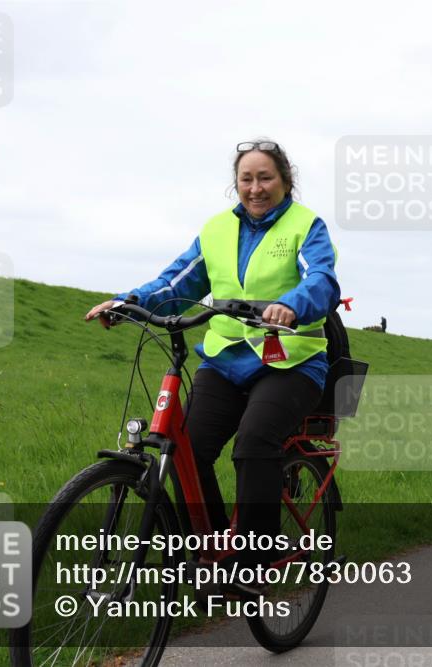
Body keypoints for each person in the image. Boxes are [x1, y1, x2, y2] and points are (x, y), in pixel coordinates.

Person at [85, 139, 340, 590]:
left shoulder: (305, 226)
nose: (255, 188)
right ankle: (216, 551)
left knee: (254, 442)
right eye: (247, 179)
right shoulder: (217, 230)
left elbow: (321, 278)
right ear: (236, 183)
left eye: (265, 178)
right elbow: (177, 281)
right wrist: (129, 301)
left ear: (285, 181)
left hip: (291, 362)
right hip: (226, 360)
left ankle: (254, 560)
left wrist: (291, 304)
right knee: (188, 448)